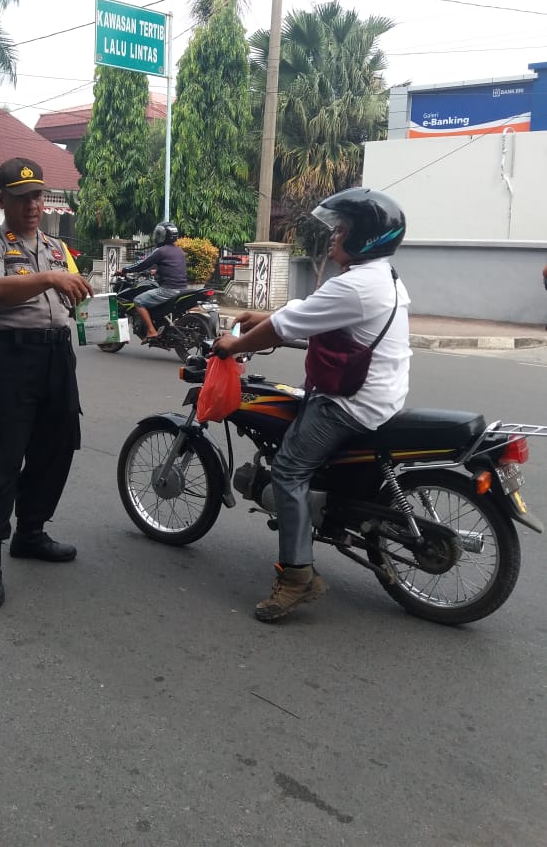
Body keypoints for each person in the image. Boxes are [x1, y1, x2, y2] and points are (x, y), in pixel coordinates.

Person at [214, 187, 411, 623]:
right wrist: (266, 317)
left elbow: (285, 327)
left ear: (365, 238)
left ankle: (297, 578)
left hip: (351, 403)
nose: (333, 238)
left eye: (342, 230)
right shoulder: (382, 275)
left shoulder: (357, 285)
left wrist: (234, 344)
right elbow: (309, 312)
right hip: (380, 393)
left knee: (287, 469)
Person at [0, 156, 94, 610]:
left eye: (38, 196)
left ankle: (31, 532)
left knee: (56, 448)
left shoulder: (57, 249)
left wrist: (96, 308)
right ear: (2, 201)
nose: (33, 205)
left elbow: (72, 293)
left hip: (57, 356)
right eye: (21, 198)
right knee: (0, 458)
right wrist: (49, 279)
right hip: (9, 359)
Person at [120, 220, 187, 339]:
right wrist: (157, 271)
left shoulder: (161, 251)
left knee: (138, 301)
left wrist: (124, 270)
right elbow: (174, 268)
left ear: (162, 236)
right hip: (181, 288)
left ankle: (151, 331)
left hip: (168, 289)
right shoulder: (179, 251)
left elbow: (142, 264)